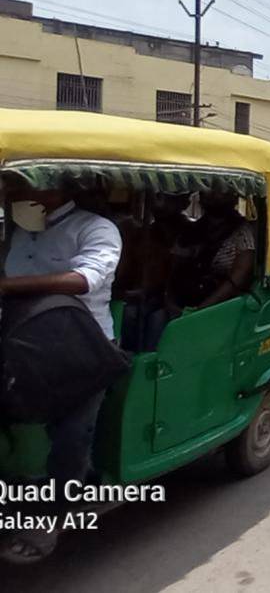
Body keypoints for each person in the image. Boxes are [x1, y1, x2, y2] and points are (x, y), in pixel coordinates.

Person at [0, 179, 122, 560]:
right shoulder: (21, 233)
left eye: (26, 187)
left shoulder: (96, 228)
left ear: (56, 188)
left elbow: (82, 280)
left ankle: (50, 519)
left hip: (80, 348)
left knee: (71, 436)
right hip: (22, 343)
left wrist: (8, 286)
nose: (20, 195)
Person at [116, 192, 192, 351]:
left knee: (157, 320)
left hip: (176, 298)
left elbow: (178, 274)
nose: (159, 204)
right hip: (146, 297)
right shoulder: (143, 234)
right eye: (157, 198)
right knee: (129, 314)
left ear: (183, 203)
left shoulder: (190, 233)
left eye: (167, 199)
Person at [171, 190, 256, 312]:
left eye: (220, 189)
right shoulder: (191, 232)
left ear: (234, 196)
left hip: (223, 307)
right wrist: (171, 303)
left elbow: (239, 277)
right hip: (185, 303)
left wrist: (202, 310)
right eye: (209, 188)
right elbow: (175, 270)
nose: (213, 194)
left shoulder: (242, 232)